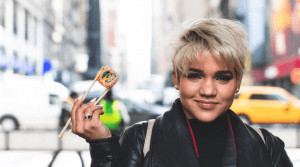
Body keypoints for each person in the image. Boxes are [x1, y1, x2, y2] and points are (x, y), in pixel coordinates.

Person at [70, 18, 293, 167]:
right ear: (176, 78)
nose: (207, 90)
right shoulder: (140, 140)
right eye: (195, 75)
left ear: (237, 83)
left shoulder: (268, 147)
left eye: (222, 77)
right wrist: (102, 147)